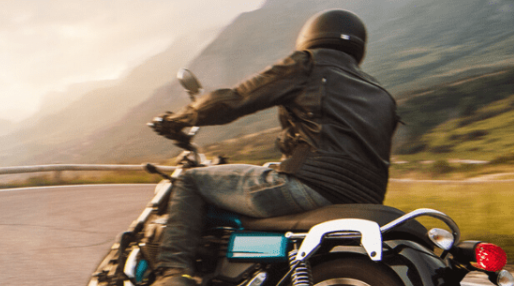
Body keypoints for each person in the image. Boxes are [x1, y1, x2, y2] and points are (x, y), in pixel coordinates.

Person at [148, 9, 399, 286]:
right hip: (363, 200)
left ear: (311, 36)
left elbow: (234, 99)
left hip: (310, 187)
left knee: (191, 180)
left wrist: (179, 118)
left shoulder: (308, 64)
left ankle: (173, 274)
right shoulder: (381, 92)